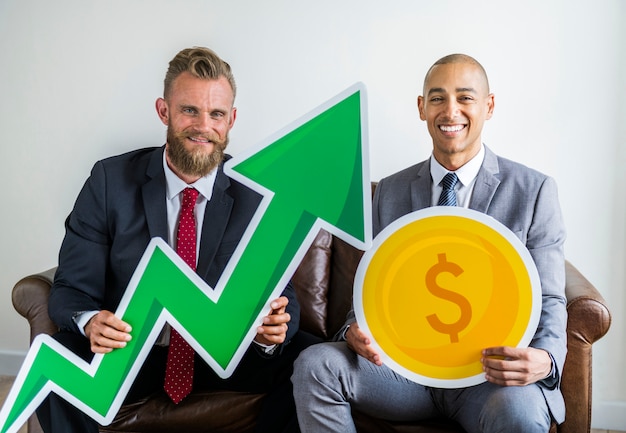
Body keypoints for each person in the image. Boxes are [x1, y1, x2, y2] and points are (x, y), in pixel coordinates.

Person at [37, 46, 315, 433]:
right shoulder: (109, 182)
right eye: (189, 110)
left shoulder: (258, 193)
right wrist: (89, 322)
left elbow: (288, 301)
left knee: (309, 357)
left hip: (223, 358)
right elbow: (69, 288)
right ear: (164, 111)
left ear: (231, 119)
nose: (203, 126)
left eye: (216, 114)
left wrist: (273, 332)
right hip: (132, 354)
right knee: (57, 362)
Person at [292, 53, 567, 433]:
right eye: (437, 98)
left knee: (520, 413)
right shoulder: (389, 191)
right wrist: (356, 332)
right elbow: (372, 289)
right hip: (403, 375)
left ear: (489, 106)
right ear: (422, 108)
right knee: (315, 365)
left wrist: (547, 361)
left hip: (488, 378)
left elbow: (550, 297)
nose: (450, 111)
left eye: (465, 98)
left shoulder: (534, 191)